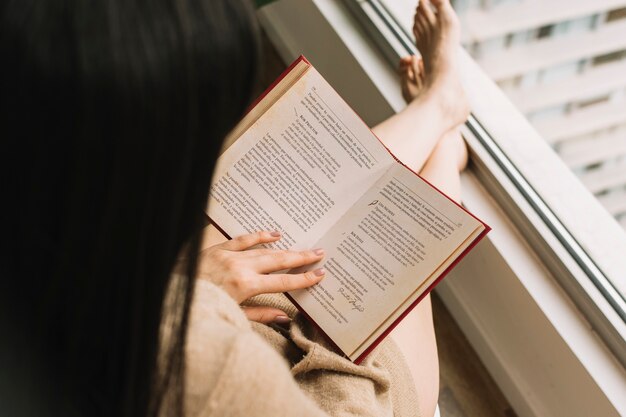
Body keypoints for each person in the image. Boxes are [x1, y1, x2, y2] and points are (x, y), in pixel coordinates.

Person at [0, 0, 468, 416]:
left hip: (182, 309)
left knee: (269, 238)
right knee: (383, 273)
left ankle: (438, 111)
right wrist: (332, 348)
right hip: (320, 387)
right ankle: (446, 136)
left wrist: (197, 292)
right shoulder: (203, 373)